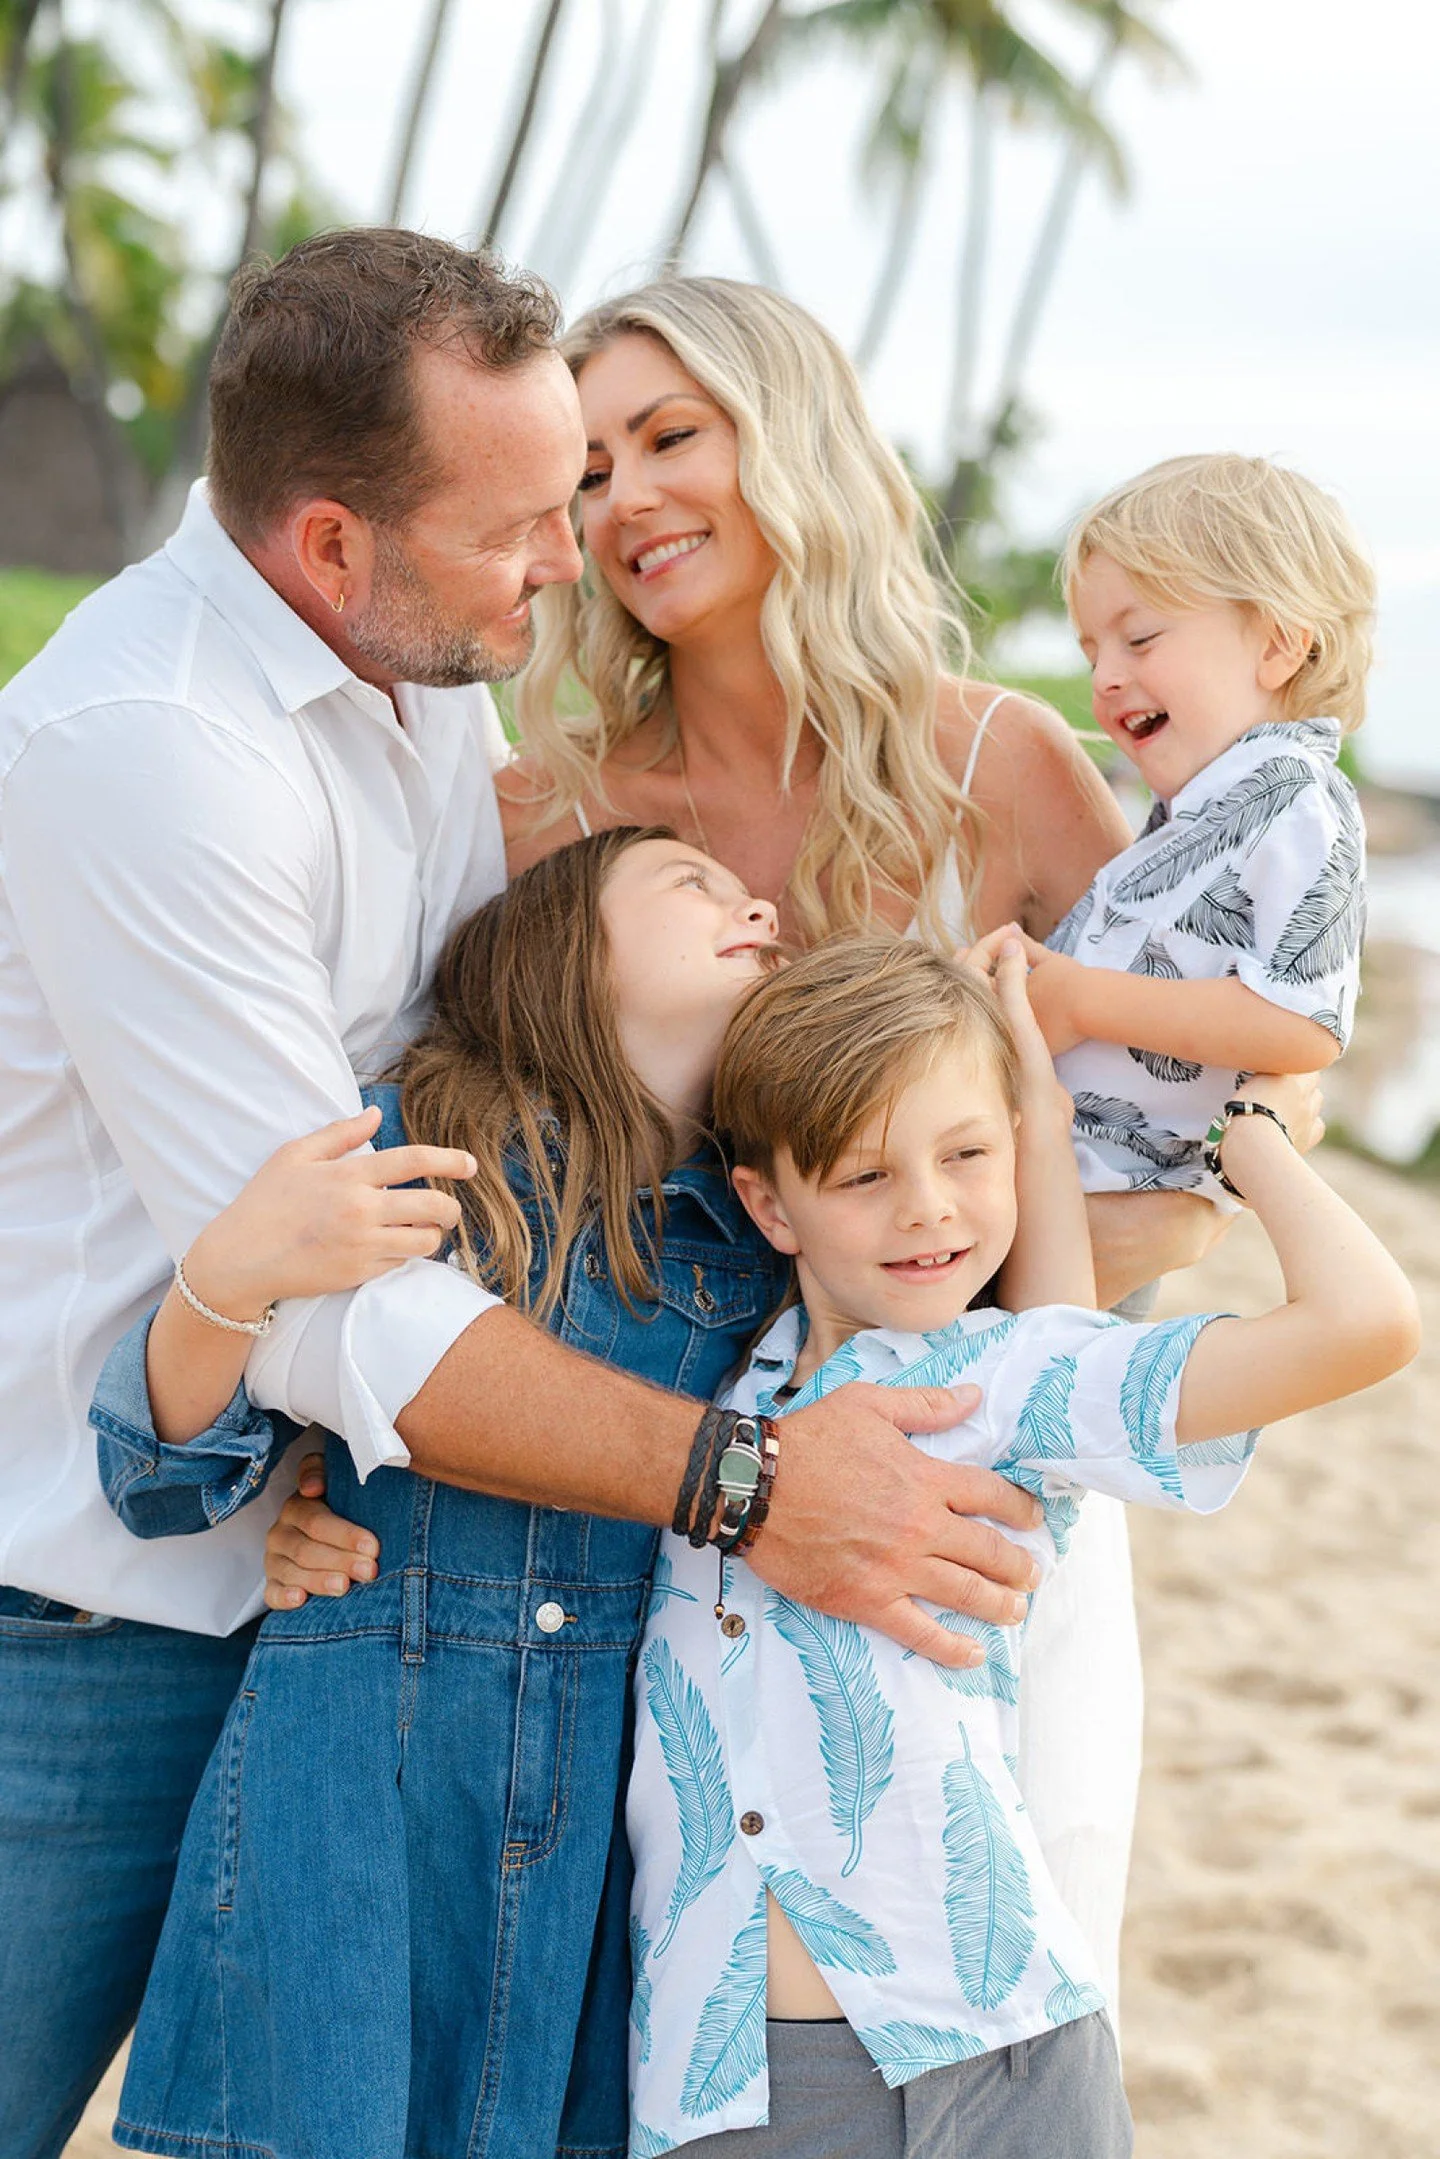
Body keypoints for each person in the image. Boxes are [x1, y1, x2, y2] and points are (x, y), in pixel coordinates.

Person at [0, 236, 1033, 2159]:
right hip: (82, 1598)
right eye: (523, 521)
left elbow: (492, 1081)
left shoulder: (416, 681)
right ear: (333, 545)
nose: (573, 555)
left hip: (336, 1567)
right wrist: (752, 1482)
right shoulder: (152, 747)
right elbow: (333, 1289)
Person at [276, 277, 1230, 2002]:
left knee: (1023, 2009)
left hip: (976, 1502)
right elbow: (433, 1161)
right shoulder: (544, 812)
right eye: (589, 469)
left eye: (671, 435)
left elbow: (1200, 1147)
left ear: (786, 440)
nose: (627, 496)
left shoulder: (1000, 762)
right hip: (662, 1535)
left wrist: (969, 1314)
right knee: (714, 2042)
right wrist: (309, 1451)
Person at [89, 834, 1063, 2159]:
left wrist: (1032, 1091)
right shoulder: (418, 1157)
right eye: (692, 881)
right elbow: (157, 1473)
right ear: (559, 946)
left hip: (597, 1863)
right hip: (366, 1800)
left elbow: (1033, 1333)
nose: (753, 900)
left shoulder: (771, 1252)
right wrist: (237, 1289)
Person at [625, 936, 1418, 2159]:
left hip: (998, 2055)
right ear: (770, 1205)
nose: (928, 1205)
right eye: (866, 1173)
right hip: (721, 2086)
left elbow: (1365, 1322)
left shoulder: (999, 1378)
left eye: (967, 1155)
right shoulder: (703, 1399)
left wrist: (1249, 1134)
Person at [970, 453, 1372, 1201]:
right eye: (1092, 652)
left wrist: (1082, 999)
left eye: (1141, 638)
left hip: (1105, 1193)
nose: (1103, 678)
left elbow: (1304, 1023)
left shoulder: (1296, 798)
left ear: (1278, 645)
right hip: (1055, 1168)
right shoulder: (1203, 808)